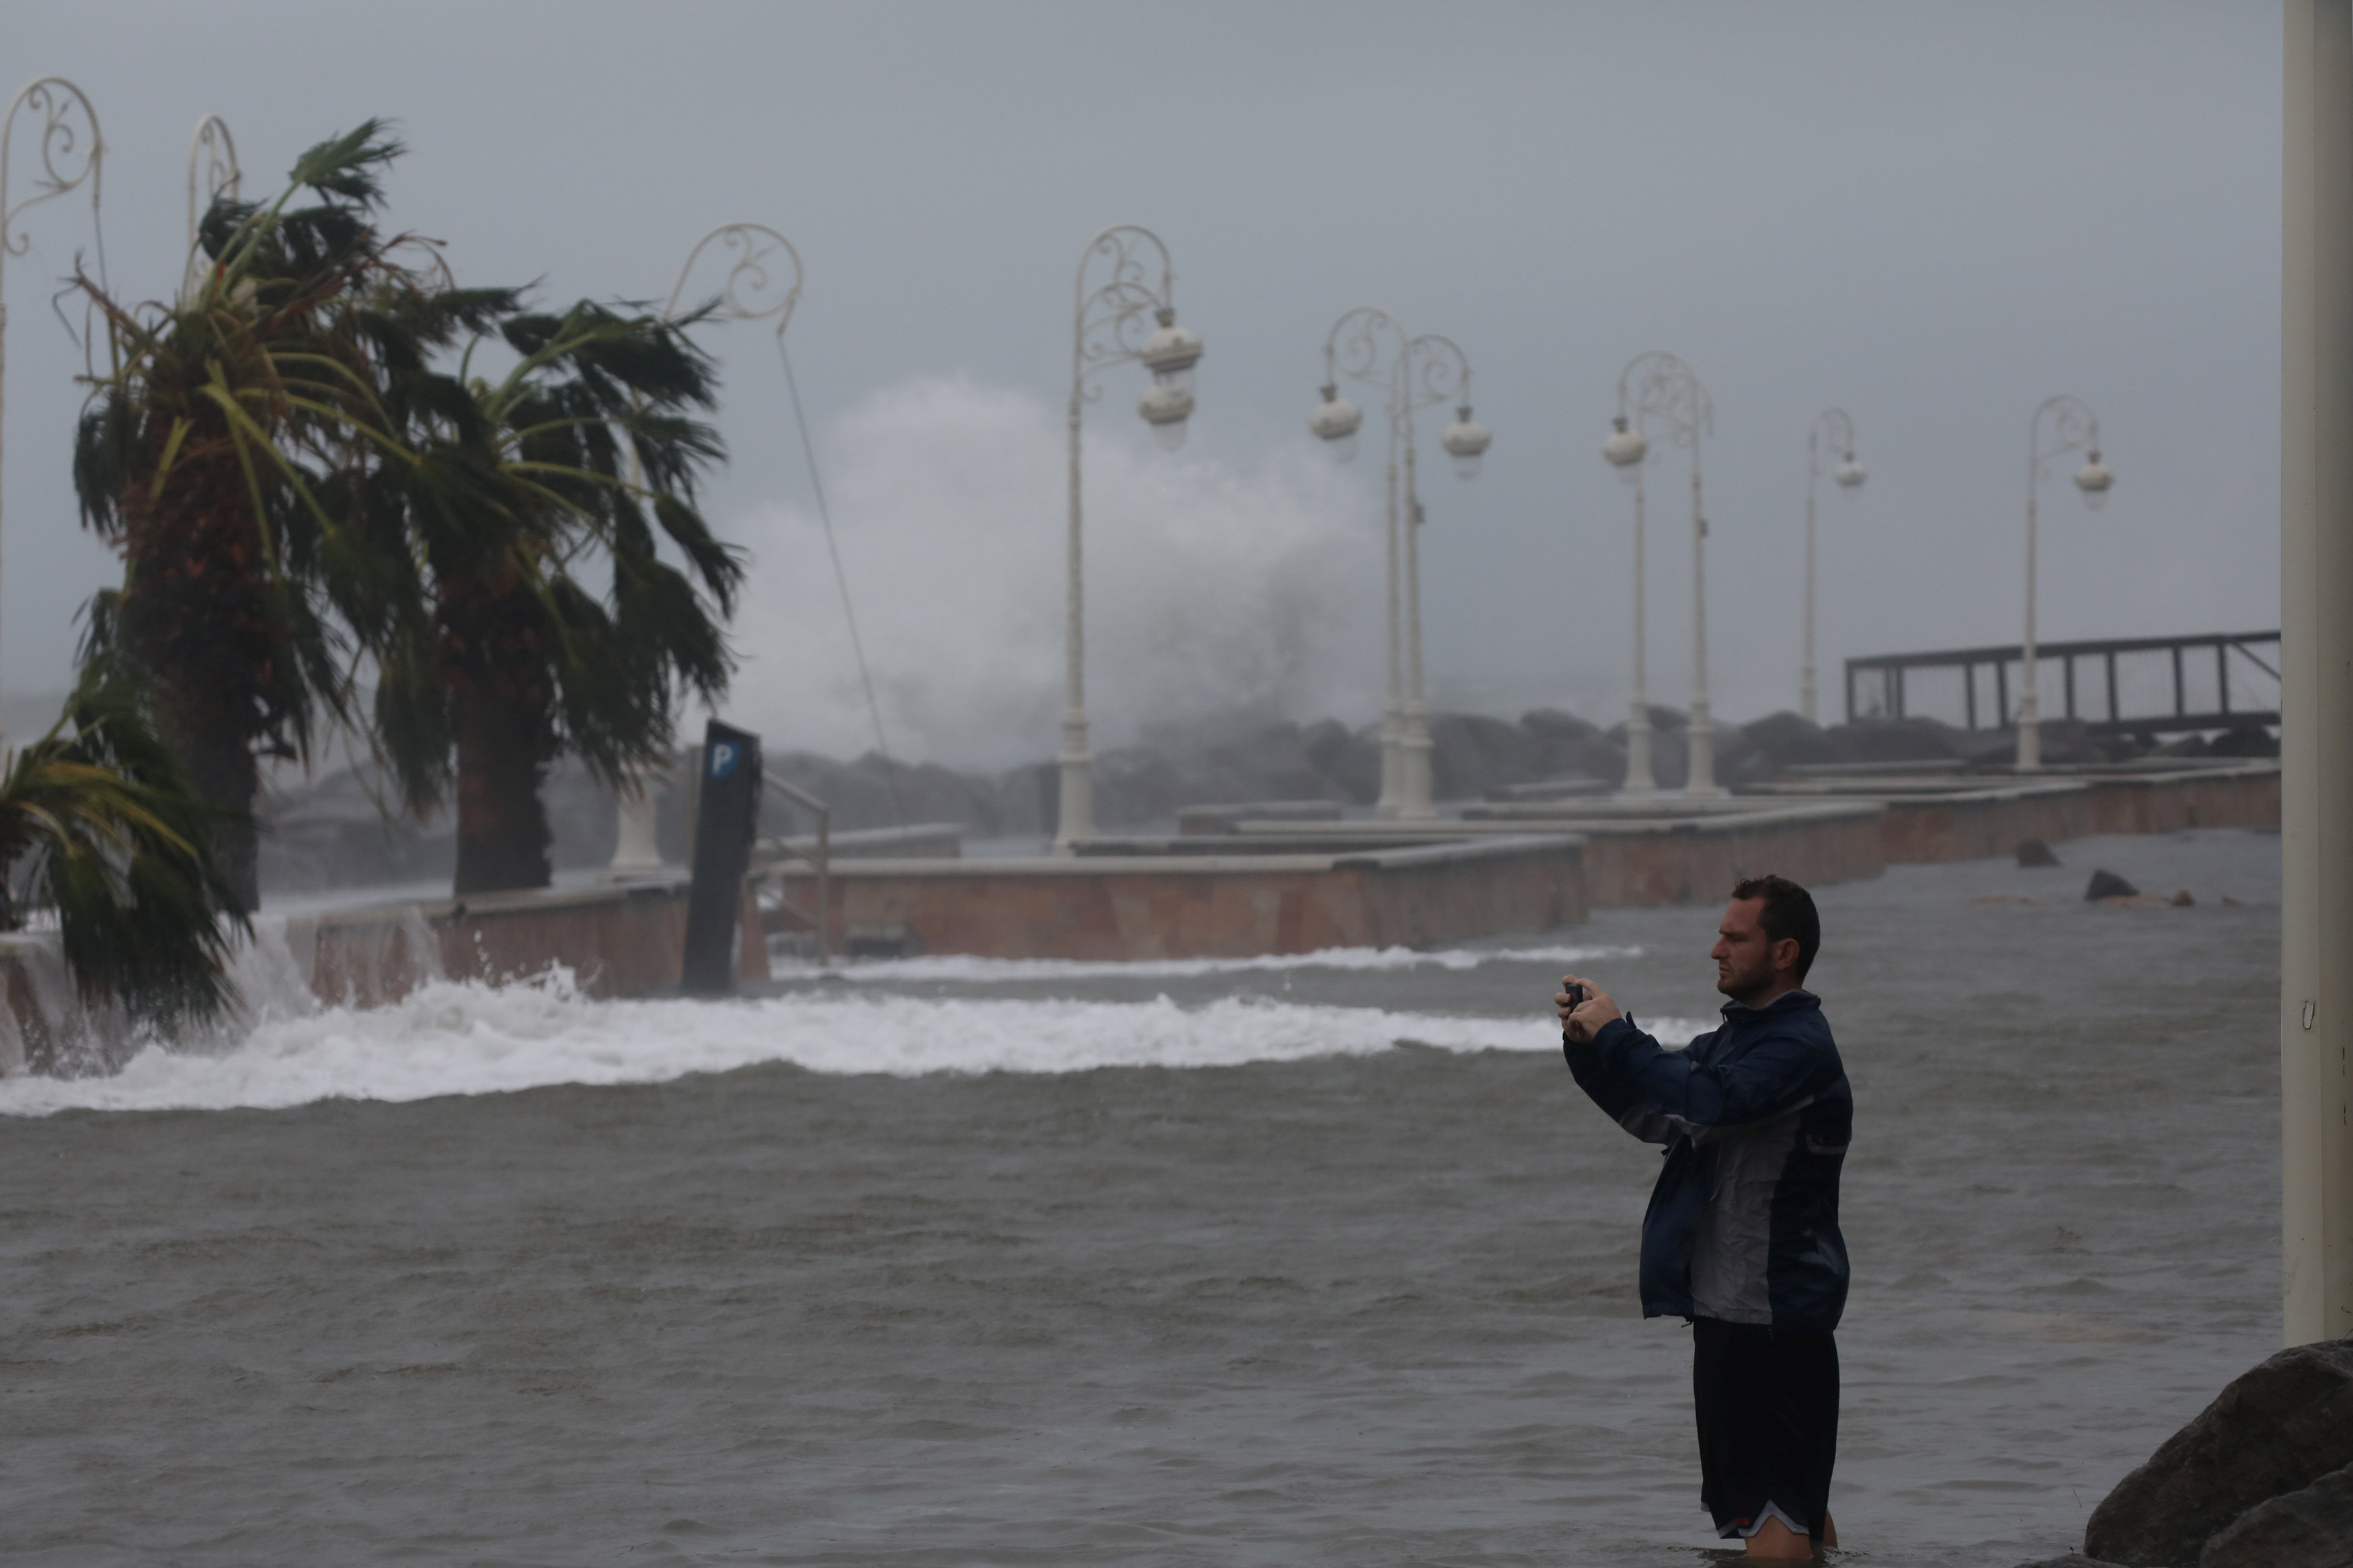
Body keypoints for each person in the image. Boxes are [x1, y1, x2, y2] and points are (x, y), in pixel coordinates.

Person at [1555, 874, 1851, 1563]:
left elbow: (1710, 1100)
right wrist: (1587, 1045)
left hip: (1764, 1313)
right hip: (1758, 1312)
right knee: (1796, 1509)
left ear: (1782, 951)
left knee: (1771, 1518)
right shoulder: (1740, 1043)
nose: (1713, 947)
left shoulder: (1791, 1045)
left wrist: (1619, 1033)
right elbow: (1660, 1112)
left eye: (1733, 936)